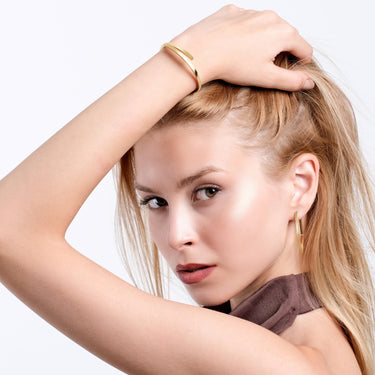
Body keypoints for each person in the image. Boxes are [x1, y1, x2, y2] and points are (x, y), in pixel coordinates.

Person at [0, 5, 373, 375]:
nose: (177, 236)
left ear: (300, 184)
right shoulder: (300, 344)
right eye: (155, 201)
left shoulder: (273, 362)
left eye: (207, 192)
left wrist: (190, 55)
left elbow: (7, 229)